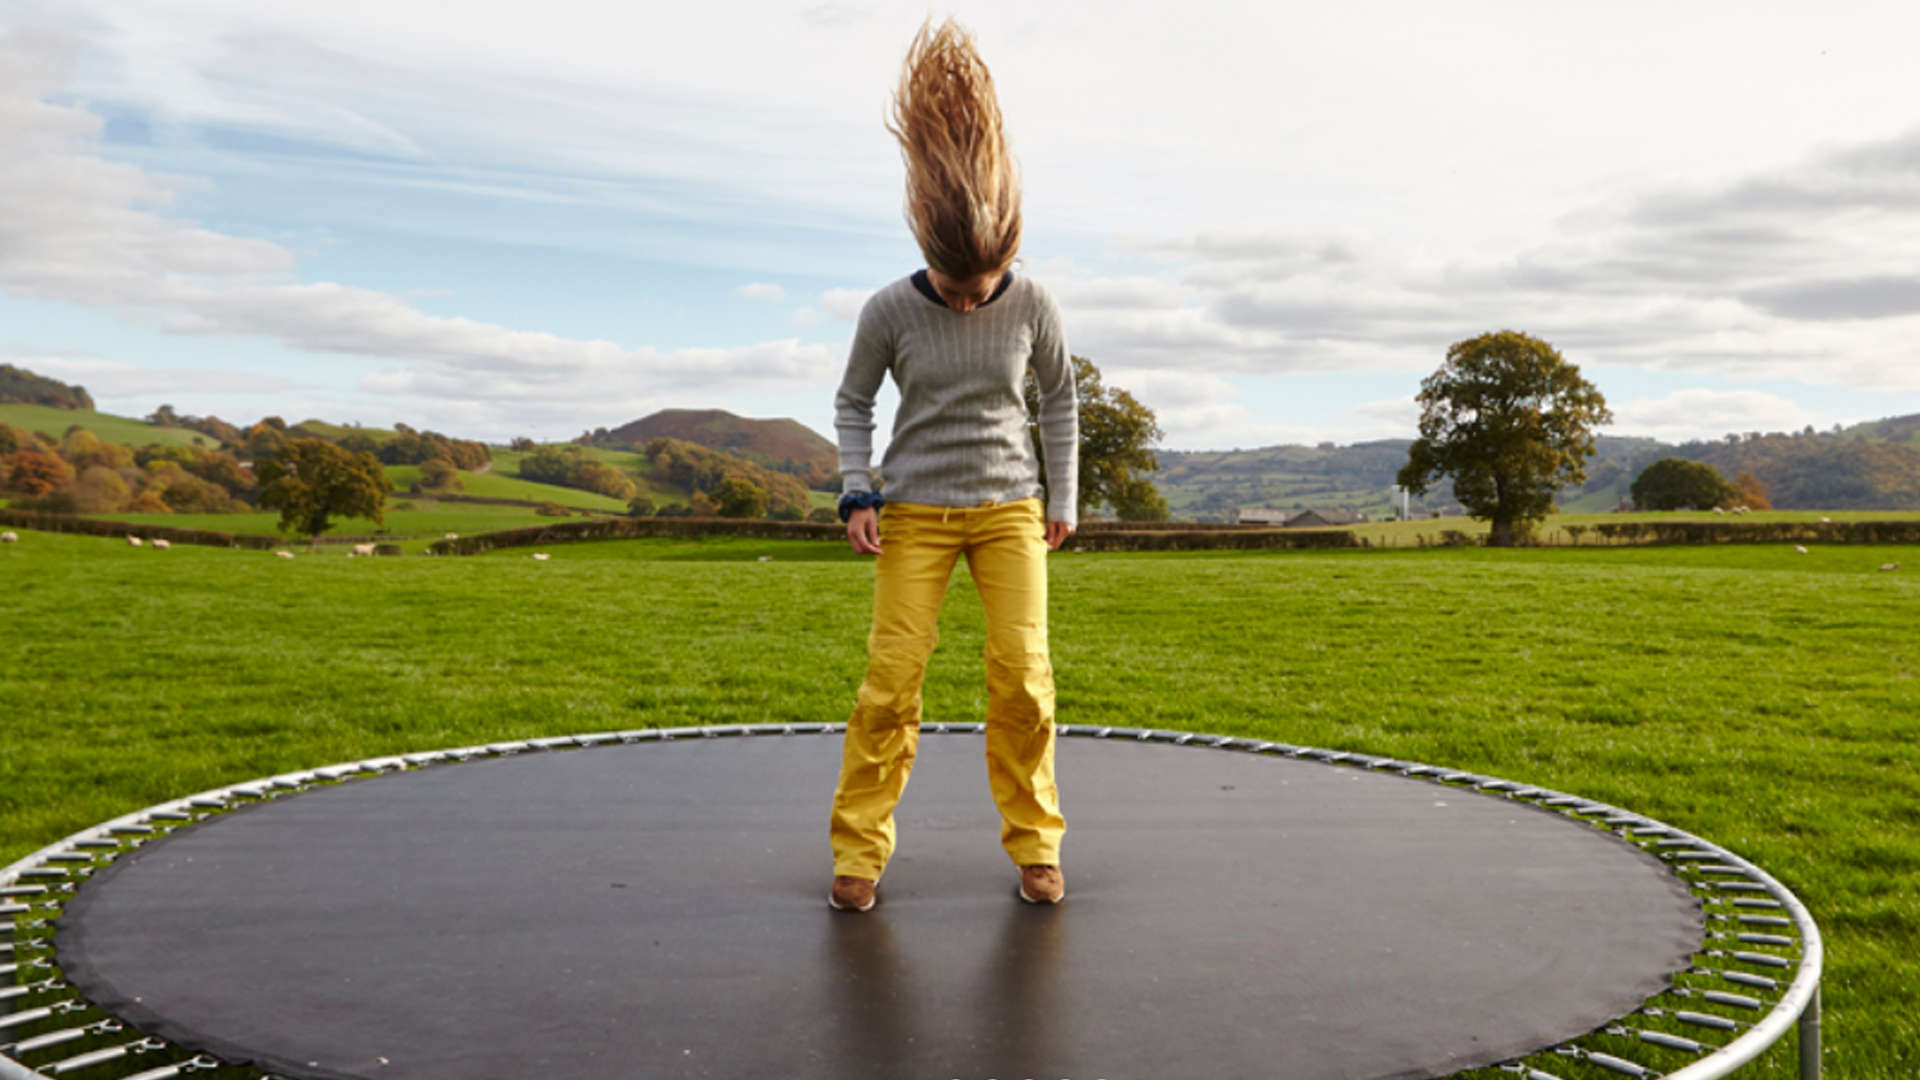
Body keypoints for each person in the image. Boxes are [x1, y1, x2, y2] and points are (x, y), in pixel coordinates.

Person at [827, 17, 1078, 914]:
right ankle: (857, 854)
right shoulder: (888, 311)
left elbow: (1060, 400)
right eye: (952, 288)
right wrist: (858, 490)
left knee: (1024, 677)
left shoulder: (1034, 303)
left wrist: (1063, 497)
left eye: (981, 290)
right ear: (927, 257)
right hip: (916, 514)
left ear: (1006, 260)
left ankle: (1037, 847)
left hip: (1010, 510)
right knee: (890, 684)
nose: (968, 305)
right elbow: (853, 402)